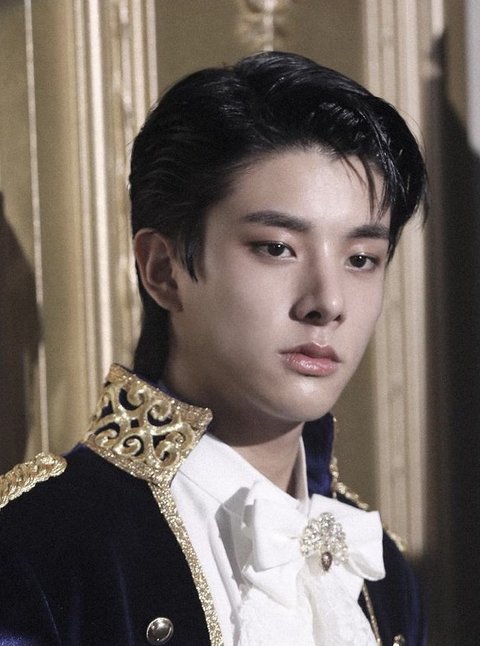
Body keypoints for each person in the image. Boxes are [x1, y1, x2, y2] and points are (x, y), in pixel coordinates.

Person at [0, 51, 427, 645]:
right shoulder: (42, 546)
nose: (327, 302)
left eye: (361, 258)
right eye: (277, 248)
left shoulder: (379, 572)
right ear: (163, 269)